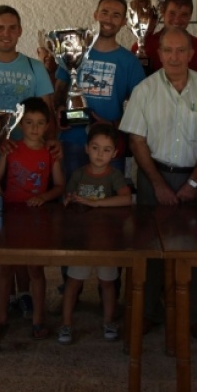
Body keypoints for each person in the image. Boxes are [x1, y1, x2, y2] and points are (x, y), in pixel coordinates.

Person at [121, 27, 197, 341]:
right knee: (150, 249)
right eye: (168, 51)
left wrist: (195, 182)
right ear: (159, 55)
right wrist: (157, 184)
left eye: (180, 51)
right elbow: (136, 140)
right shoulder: (144, 90)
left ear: (190, 53)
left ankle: (192, 314)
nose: (174, 57)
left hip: (196, 180)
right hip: (152, 177)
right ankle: (148, 314)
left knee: (192, 253)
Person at [0, 5, 56, 313]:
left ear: (20, 31)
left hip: (27, 159)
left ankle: (24, 294)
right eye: (0, 28)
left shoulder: (34, 68)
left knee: (23, 230)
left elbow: (47, 110)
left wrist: (50, 143)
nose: (6, 33)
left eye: (12, 27)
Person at [0, 98, 65, 339]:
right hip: (11, 216)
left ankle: (38, 320)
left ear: (48, 126)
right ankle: (1, 318)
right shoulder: (10, 149)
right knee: (5, 269)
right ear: (20, 124)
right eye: (29, 122)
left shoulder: (50, 152)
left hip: (36, 219)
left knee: (35, 269)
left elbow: (60, 186)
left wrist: (44, 196)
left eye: (40, 123)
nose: (34, 128)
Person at [52, 0, 147, 176]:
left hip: (110, 146)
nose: (109, 19)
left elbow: (140, 108)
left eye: (116, 15)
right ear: (95, 15)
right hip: (73, 140)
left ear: (123, 23)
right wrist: (59, 109)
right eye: (105, 12)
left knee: (109, 200)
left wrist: (113, 123)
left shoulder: (130, 62)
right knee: (72, 196)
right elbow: (60, 88)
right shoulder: (73, 51)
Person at [58, 123, 133, 345]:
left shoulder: (115, 175)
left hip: (107, 241)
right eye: (95, 148)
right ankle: (66, 323)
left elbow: (127, 198)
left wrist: (96, 203)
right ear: (86, 148)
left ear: (115, 153)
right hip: (82, 240)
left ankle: (109, 320)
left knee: (107, 283)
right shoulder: (78, 174)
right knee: (73, 282)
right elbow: (67, 199)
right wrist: (69, 200)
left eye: (107, 150)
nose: (100, 154)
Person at [134, 0, 197, 76]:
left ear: (190, 16)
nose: (177, 20)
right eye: (172, 13)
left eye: (184, 15)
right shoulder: (142, 46)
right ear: (163, 12)